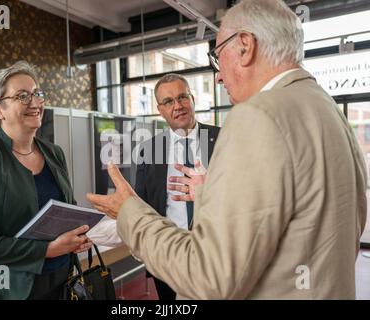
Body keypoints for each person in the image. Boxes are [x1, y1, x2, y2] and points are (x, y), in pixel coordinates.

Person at [87, 0, 367, 299]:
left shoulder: (257, 115)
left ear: (245, 46)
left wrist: (129, 212)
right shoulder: (326, 107)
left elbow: (210, 277)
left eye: (218, 56)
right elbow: (312, 216)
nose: (218, 76)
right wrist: (212, 195)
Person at [0, 61, 93, 299]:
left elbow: (65, 210)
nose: (35, 102)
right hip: (1, 288)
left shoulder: (53, 152)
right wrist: (47, 250)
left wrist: (77, 235)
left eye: (37, 93)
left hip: (58, 281)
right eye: (22, 96)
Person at [135, 73, 220, 300]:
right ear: (160, 109)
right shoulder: (150, 150)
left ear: (192, 99)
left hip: (217, 255)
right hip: (169, 256)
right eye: (169, 101)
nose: (178, 106)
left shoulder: (223, 139)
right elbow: (141, 205)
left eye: (182, 97)